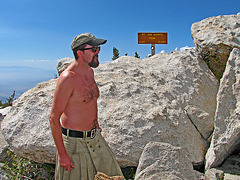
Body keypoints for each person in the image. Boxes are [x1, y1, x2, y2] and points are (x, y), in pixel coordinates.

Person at [49, 33, 123, 180]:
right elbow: (53, 118)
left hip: (94, 138)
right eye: (94, 49)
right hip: (74, 145)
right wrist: (63, 155)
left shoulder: (90, 72)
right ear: (80, 53)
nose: (97, 52)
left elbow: (91, 101)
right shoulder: (67, 79)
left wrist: (96, 123)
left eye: (98, 49)